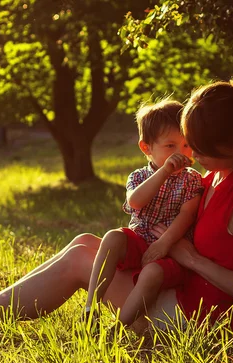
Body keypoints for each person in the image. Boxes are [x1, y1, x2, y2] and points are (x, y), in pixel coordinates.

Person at [0, 72, 233, 338]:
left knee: (83, 259)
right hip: (181, 292)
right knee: (85, 243)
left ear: (232, 142)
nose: (192, 156)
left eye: (200, 148)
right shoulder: (217, 176)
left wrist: (191, 258)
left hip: (204, 319)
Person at [84, 99, 202, 329]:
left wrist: (164, 244)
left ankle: (118, 329)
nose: (180, 153)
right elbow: (136, 201)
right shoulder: (138, 177)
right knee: (112, 237)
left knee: (152, 273)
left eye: (186, 145)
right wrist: (165, 172)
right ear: (146, 148)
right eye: (170, 146)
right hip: (139, 240)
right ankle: (90, 308)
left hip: (171, 251)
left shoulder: (192, 179)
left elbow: (187, 215)